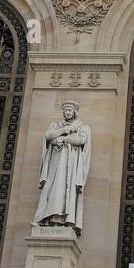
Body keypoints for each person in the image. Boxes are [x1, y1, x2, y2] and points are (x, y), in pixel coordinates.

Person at [33, 100, 93, 234]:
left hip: (71, 166)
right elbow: (48, 136)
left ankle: (65, 221)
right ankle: (48, 218)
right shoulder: (56, 125)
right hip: (56, 163)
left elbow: (82, 140)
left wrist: (64, 139)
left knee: (67, 192)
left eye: (69, 110)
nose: (67, 112)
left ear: (74, 112)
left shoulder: (82, 126)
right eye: (65, 110)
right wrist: (63, 131)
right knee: (53, 189)